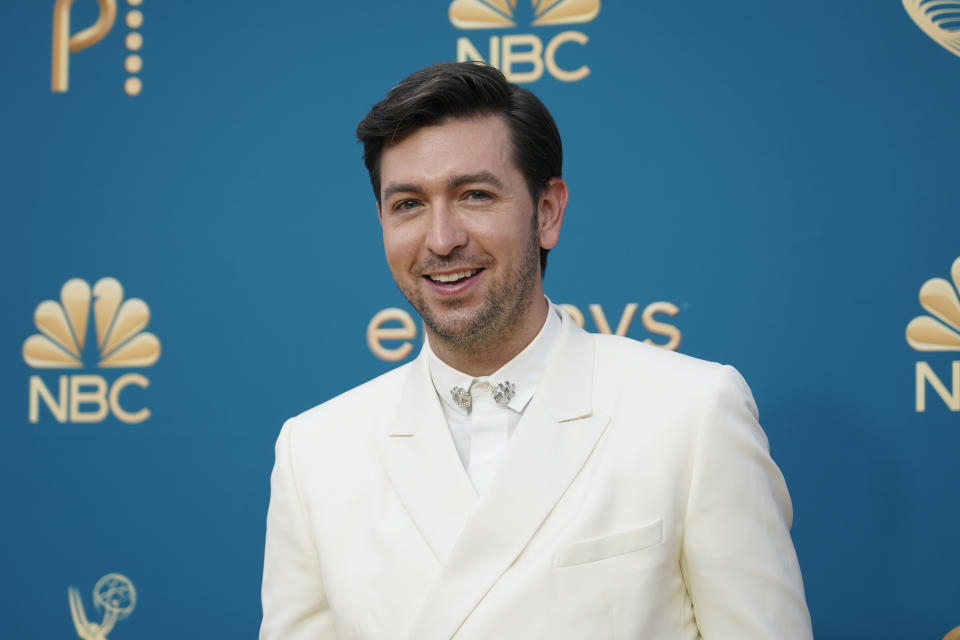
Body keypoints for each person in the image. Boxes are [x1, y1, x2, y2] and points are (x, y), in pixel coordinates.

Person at [260, 62, 813, 639]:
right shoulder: (315, 453)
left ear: (546, 212)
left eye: (475, 195)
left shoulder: (691, 414)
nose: (442, 238)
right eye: (408, 205)